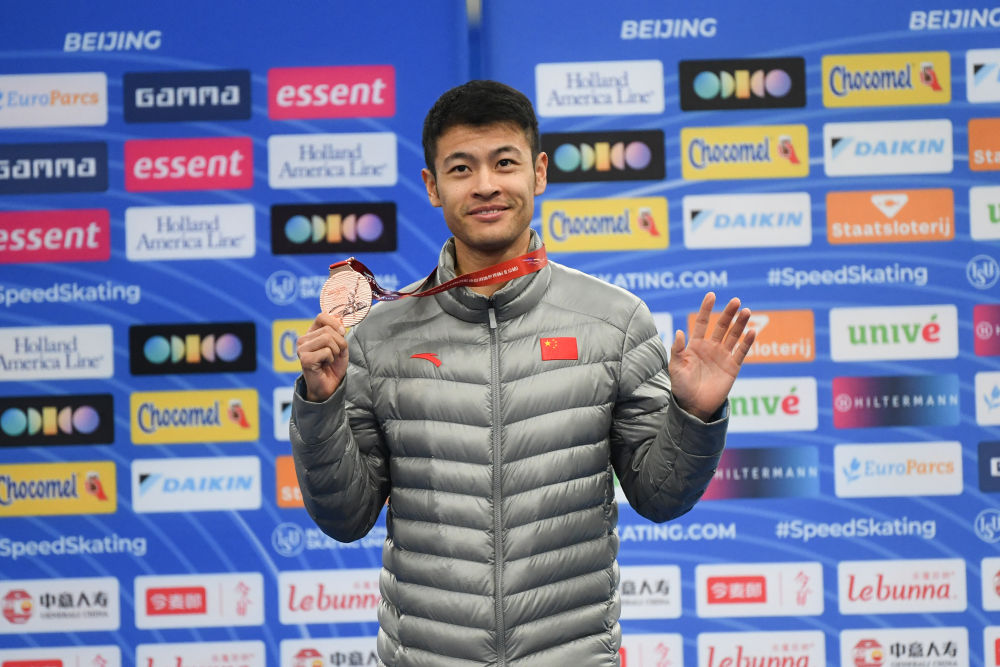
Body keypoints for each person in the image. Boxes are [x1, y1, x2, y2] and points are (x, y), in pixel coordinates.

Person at [291, 80, 756, 667]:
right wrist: (321, 404)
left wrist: (694, 414)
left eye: (504, 163)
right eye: (461, 168)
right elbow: (345, 517)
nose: (485, 184)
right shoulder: (381, 335)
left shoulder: (614, 322)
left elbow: (660, 496)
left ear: (538, 173)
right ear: (432, 186)